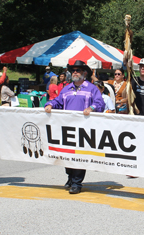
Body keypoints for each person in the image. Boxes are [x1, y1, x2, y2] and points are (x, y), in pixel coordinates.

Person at [44, 60, 105, 194]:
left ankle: (77, 183)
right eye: (73, 70)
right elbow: (58, 101)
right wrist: (50, 105)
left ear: (84, 73)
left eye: (78, 70)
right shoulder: (66, 89)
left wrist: (91, 107)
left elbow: (100, 103)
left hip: (84, 129)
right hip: (67, 128)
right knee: (66, 155)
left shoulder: (91, 88)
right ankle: (70, 177)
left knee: (79, 156)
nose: (75, 72)